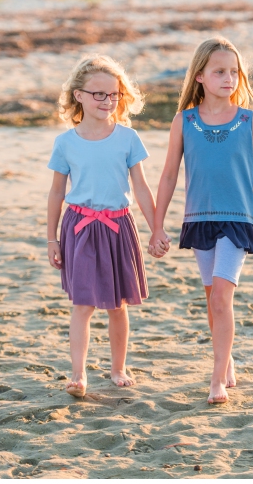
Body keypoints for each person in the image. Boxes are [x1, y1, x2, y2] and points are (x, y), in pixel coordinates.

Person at [150, 36, 253, 404]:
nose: (229, 78)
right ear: (200, 75)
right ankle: (227, 359)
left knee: (222, 297)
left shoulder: (249, 121)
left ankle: (217, 378)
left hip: (238, 220)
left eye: (234, 72)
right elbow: (169, 175)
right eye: (220, 71)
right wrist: (158, 225)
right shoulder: (184, 121)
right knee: (211, 299)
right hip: (199, 219)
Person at [47, 55, 165, 398]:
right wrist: (50, 239)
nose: (106, 101)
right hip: (79, 228)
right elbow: (57, 192)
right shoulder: (65, 142)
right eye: (98, 94)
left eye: (113, 94)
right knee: (82, 305)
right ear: (78, 96)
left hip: (119, 226)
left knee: (117, 305)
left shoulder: (128, 138)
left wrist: (156, 228)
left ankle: (117, 368)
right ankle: (78, 375)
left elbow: (141, 187)